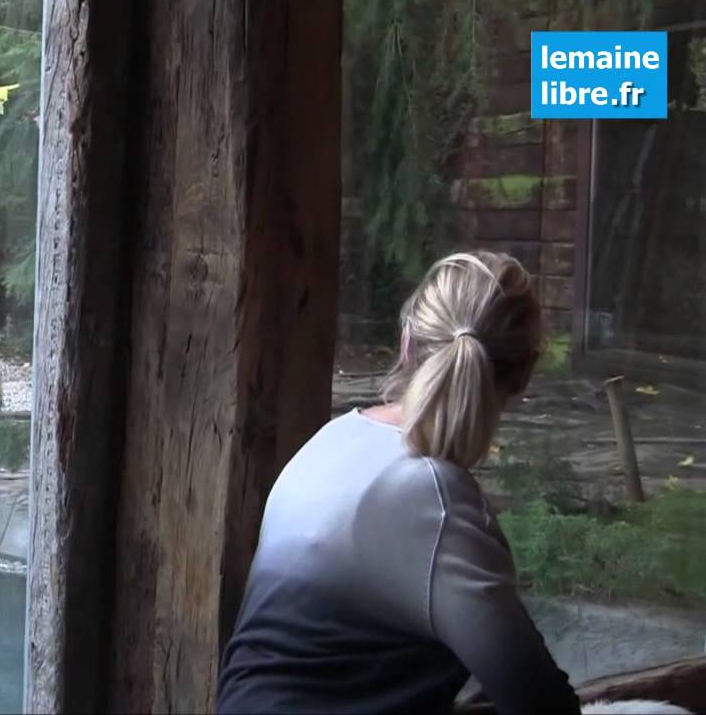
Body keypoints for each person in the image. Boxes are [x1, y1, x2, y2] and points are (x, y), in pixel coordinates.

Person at [216, 251, 582, 715]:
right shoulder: (442, 507)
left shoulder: (332, 439)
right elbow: (540, 703)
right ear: (524, 374)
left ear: (406, 343)